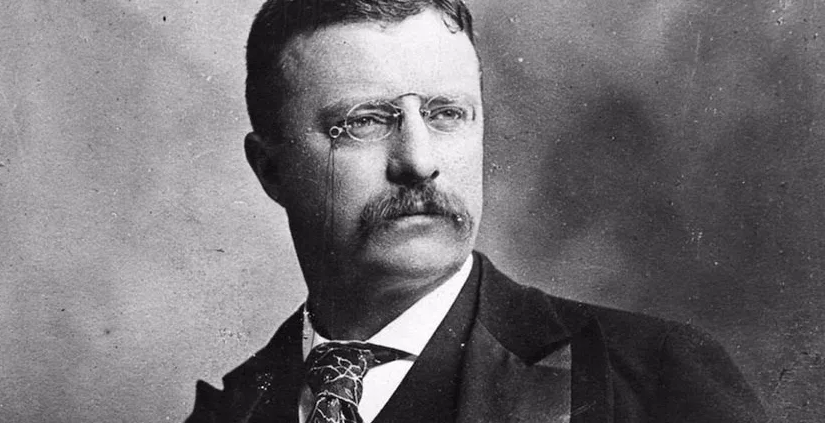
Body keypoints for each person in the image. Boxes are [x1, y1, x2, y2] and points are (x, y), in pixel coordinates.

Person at [186, 0, 767, 422]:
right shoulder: (231, 410)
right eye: (364, 121)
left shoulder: (655, 381)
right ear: (271, 170)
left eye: (446, 114)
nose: (418, 162)